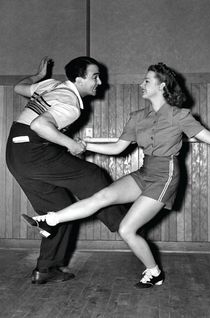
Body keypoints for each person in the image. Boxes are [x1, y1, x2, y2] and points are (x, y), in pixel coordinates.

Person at [24, 62, 210, 289]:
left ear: (162, 86)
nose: (141, 84)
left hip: (165, 176)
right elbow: (117, 148)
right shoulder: (137, 117)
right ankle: (50, 220)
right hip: (145, 171)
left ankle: (154, 273)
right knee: (102, 196)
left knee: (126, 229)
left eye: (147, 81)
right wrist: (85, 145)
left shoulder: (179, 115)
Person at [6, 56, 127, 284]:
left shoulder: (51, 85)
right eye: (95, 77)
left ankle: (45, 269)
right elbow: (39, 125)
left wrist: (38, 76)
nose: (99, 82)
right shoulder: (71, 104)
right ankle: (126, 225)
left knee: (60, 213)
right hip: (34, 152)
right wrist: (71, 144)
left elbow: (18, 87)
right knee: (93, 175)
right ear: (79, 80)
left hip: (15, 154)